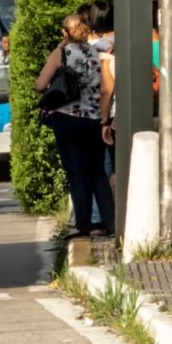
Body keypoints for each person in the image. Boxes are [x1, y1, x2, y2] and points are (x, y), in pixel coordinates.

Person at [36, 12, 113, 236]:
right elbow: (106, 87)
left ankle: (84, 223)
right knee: (97, 171)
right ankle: (109, 221)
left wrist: (62, 45)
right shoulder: (100, 52)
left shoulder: (61, 53)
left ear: (65, 32)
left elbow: (40, 85)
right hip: (94, 119)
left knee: (76, 172)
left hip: (67, 119)